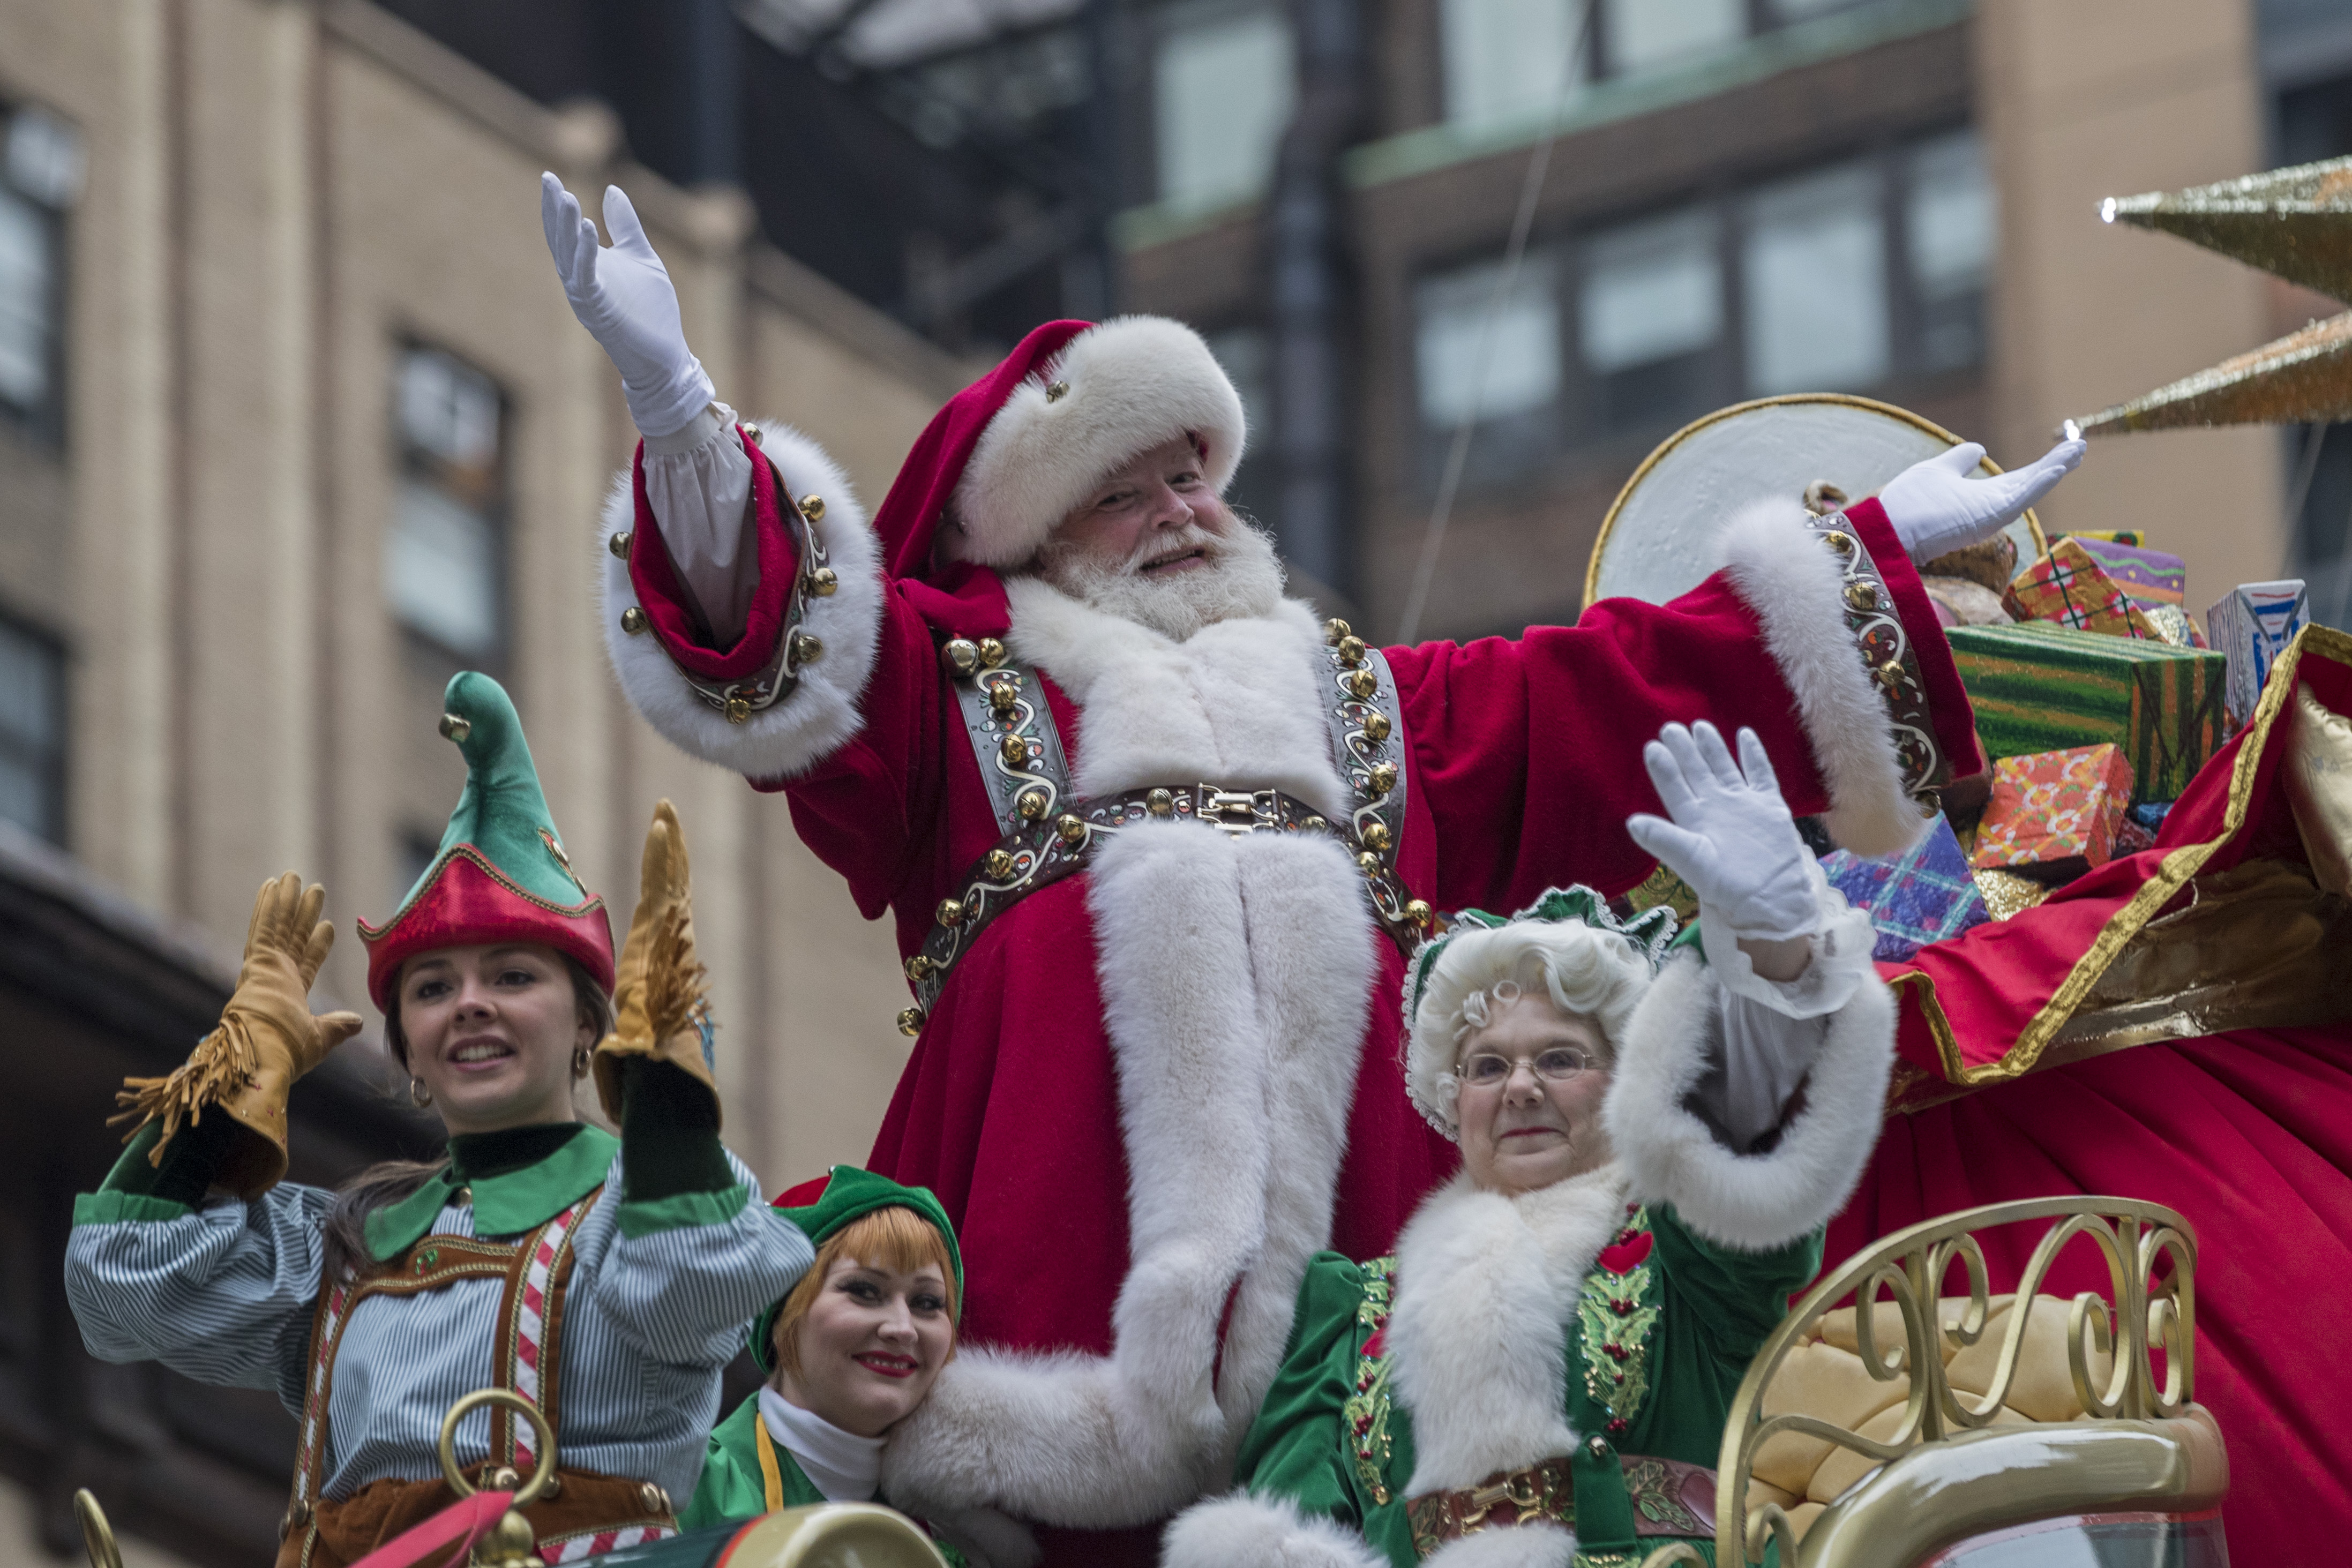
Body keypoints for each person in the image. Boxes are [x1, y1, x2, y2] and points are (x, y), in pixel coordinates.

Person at [537, 172, 2077, 1562]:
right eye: (1125, 488)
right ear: (1033, 534)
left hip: (1352, 1369)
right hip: (1031, 1337)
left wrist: (1866, 555)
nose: (1183, 510)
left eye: (1195, 472)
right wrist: (680, 418)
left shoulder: (1370, 705)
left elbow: (1610, 683)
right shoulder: (960, 695)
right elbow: (779, 627)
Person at [64, 672, 812, 1568]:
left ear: (588, 1024)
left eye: (512, 976)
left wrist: (665, 1094)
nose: (469, 1005)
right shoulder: (343, 1247)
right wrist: (234, 1069)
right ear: (407, 1049)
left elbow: (692, 1279)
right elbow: (120, 1282)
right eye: (433, 988)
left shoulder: (627, 1210)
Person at [1165, 719, 1895, 1566]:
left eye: (1558, 1057)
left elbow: (1730, 1114)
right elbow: (1286, 1526)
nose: (1519, 1087)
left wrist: (1772, 947)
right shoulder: (1346, 1308)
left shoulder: (1685, 1253)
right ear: (1453, 1098)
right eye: (1486, 1066)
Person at [680, 1167, 962, 1534]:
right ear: (782, 1314)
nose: (903, 1328)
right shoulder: (679, 1491)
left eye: (927, 1301)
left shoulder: (962, 1529)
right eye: (864, 1290)